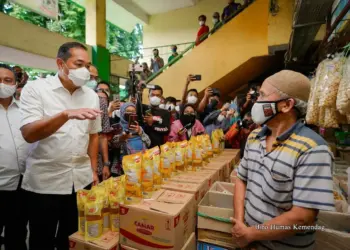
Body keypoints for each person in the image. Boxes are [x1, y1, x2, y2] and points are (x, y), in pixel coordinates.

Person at [232, 70, 335, 250]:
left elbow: (302, 217)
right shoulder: (255, 136)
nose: (256, 102)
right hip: (250, 242)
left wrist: (251, 233)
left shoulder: (313, 149)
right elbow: (241, 179)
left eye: (262, 95)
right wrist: (241, 225)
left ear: (286, 105)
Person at [20, 42, 102, 250]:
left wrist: (93, 170)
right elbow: (29, 134)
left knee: (72, 237)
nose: (85, 70)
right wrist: (65, 115)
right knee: (41, 239)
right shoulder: (36, 89)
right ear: (61, 63)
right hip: (45, 182)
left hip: (80, 180)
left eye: (88, 65)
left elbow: (93, 136)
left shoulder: (91, 96)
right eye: (79, 64)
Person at [0, 64, 30, 250]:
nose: (3, 84)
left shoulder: (23, 110)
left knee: (18, 234)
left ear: (16, 83)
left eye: (7, 80)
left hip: (22, 185)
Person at [109, 102, 151, 176]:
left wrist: (141, 132)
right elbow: (112, 145)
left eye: (133, 111)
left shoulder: (139, 128)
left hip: (141, 163)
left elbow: (148, 143)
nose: (131, 113)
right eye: (128, 111)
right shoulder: (117, 127)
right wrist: (121, 138)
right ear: (122, 112)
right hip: (124, 167)